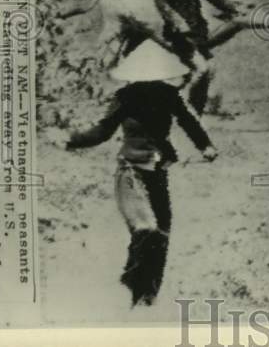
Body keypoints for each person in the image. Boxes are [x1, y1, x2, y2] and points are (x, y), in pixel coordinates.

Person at [65, 39, 219, 308]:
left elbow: (189, 121)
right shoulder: (125, 97)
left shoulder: (169, 95)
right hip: (131, 172)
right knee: (145, 228)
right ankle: (129, 285)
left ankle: (149, 297)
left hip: (157, 173)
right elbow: (102, 131)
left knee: (161, 234)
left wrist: (205, 145)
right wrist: (71, 140)